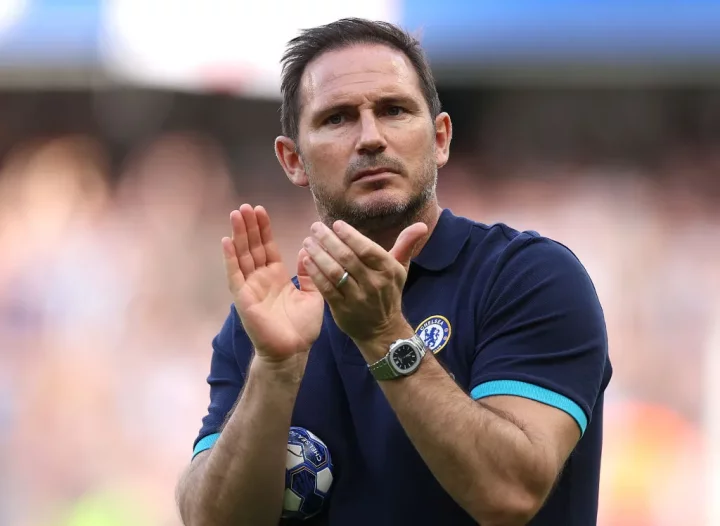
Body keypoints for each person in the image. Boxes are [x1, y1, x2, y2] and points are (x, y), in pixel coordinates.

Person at [175, 18, 612, 526]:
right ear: (293, 160)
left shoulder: (527, 277)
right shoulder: (267, 327)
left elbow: (510, 493)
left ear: (441, 138)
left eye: (394, 110)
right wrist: (274, 370)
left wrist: (384, 337)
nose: (370, 138)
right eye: (337, 118)